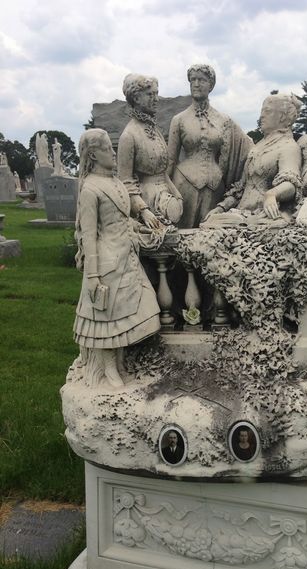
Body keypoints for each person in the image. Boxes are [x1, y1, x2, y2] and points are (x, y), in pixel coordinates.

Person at [74, 129, 161, 388]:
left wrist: (142, 226)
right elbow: (89, 236)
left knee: (140, 309)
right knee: (106, 320)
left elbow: (122, 220)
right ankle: (108, 369)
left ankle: (122, 362)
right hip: (107, 262)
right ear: (93, 154)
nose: (114, 153)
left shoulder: (116, 182)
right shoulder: (90, 188)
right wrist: (92, 276)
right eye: (108, 149)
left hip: (127, 257)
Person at [167, 64, 251, 228]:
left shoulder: (224, 120)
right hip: (184, 184)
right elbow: (171, 159)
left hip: (214, 187)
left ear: (211, 85)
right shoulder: (179, 119)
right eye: (193, 80)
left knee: (209, 236)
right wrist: (165, 191)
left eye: (202, 80)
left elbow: (242, 147)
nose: (196, 84)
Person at [204, 93, 302, 225]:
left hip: (264, 215)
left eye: (267, 111)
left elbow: (291, 184)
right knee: (211, 222)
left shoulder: (289, 147)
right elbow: (241, 189)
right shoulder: (257, 147)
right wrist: (222, 207)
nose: (261, 116)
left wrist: (272, 194)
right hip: (241, 212)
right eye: (262, 111)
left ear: (283, 116)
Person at [117, 73, 183, 229]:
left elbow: (163, 173)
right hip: (147, 203)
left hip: (167, 199)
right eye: (150, 94)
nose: (156, 99)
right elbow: (125, 182)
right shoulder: (129, 136)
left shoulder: (154, 129)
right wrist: (144, 211)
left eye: (156, 94)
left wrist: (178, 197)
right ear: (136, 98)